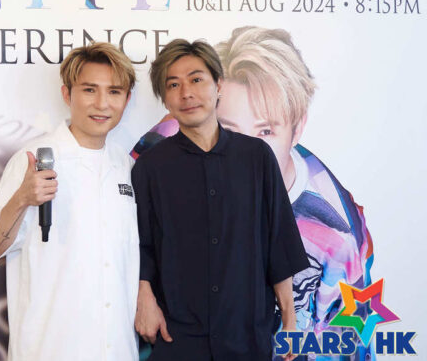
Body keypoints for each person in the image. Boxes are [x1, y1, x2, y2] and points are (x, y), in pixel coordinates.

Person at [132, 27, 374, 360]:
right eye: (173, 85)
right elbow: (141, 243)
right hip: (177, 337)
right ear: (165, 98)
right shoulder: (150, 164)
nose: (187, 93)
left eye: (197, 80)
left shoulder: (257, 158)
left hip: (246, 338)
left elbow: (279, 242)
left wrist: (289, 320)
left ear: (217, 86)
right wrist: (144, 299)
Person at [0, 42, 140, 361]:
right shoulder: (34, 159)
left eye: (114, 91)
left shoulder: (127, 167)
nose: (102, 103)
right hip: (50, 348)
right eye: (89, 90)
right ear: (67, 94)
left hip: (118, 349)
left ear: (127, 99)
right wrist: (22, 199)